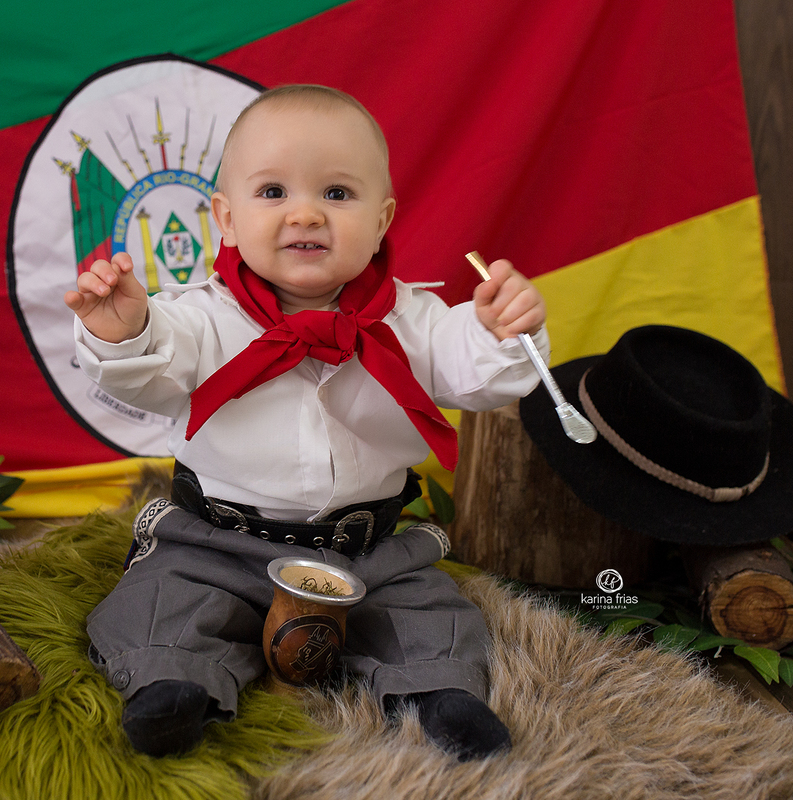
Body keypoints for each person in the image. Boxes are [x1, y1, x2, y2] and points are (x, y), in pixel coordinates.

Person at [64, 84, 548, 761]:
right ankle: (172, 684)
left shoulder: (414, 318)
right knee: (163, 603)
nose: (306, 214)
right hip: (219, 543)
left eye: (337, 195)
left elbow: (476, 373)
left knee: (429, 612)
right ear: (224, 220)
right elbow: (151, 370)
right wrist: (125, 334)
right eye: (273, 193)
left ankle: (440, 692)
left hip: (369, 551)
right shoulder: (197, 316)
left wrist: (499, 331)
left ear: (382, 221)